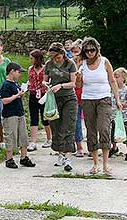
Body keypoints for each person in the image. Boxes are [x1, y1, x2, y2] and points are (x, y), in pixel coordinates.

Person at [79, 37, 122, 175]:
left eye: (92, 50)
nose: (90, 53)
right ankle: (95, 163)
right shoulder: (82, 64)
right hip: (87, 99)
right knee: (91, 130)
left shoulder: (105, 62)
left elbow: (112, 81)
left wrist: (117, 99)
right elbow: (78, 86)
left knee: (104, 128)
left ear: (97, 49)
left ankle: (106, 163)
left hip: (104, 98)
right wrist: (78, 78)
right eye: (87, 50)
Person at [43, 42, 77, 171]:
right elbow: (45, 80)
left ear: (62, 54)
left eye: (58, 57)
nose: (56, 59)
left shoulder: (70, 64)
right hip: (54, 99)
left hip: (69, 98)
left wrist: (61, 86)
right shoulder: (48, 64)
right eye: (54, 57)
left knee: (68, 126)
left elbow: (73, 83)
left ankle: (68, 156)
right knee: (56, 126)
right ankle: (60, 153)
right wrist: (46, 84)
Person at [0, 62, 36, 169]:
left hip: (19, 113)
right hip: (10, 115)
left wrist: (22, 92)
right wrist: (16, 96)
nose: (19, 74)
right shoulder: (6, 85)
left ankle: (24, 157)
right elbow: (4, 100)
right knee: (10, 136)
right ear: (12, 71)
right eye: (18, 72)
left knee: (23, 136)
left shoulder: (15, 83)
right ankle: (9, 159)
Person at [109, 67, 127, 161]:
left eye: (116, 77)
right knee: (113, 133)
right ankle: (114, 148)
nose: (114, 79)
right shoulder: (111, 89)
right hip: (114, 117)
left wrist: (123, 105)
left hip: (125, 117)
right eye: (113, 77)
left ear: (123, 78)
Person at [27, 49, 52, 151]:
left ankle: (49, 138)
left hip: (43, 94)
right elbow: (29, 80)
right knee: (34, 118)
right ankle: (33, 142)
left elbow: (49, 80)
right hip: (33, 94)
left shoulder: (45, 68)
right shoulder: (30, 69)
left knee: (45, 117)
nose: (30, 60)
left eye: (32, 58)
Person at [70, 39, 85, 157]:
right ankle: (79, 146)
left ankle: (92, 145)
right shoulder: (70, 64)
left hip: (87, 93)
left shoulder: (88, 63)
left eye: (77, 51)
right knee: (76, 121)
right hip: (75, 94)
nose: (75, 54)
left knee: (91, 122)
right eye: (73, 51)